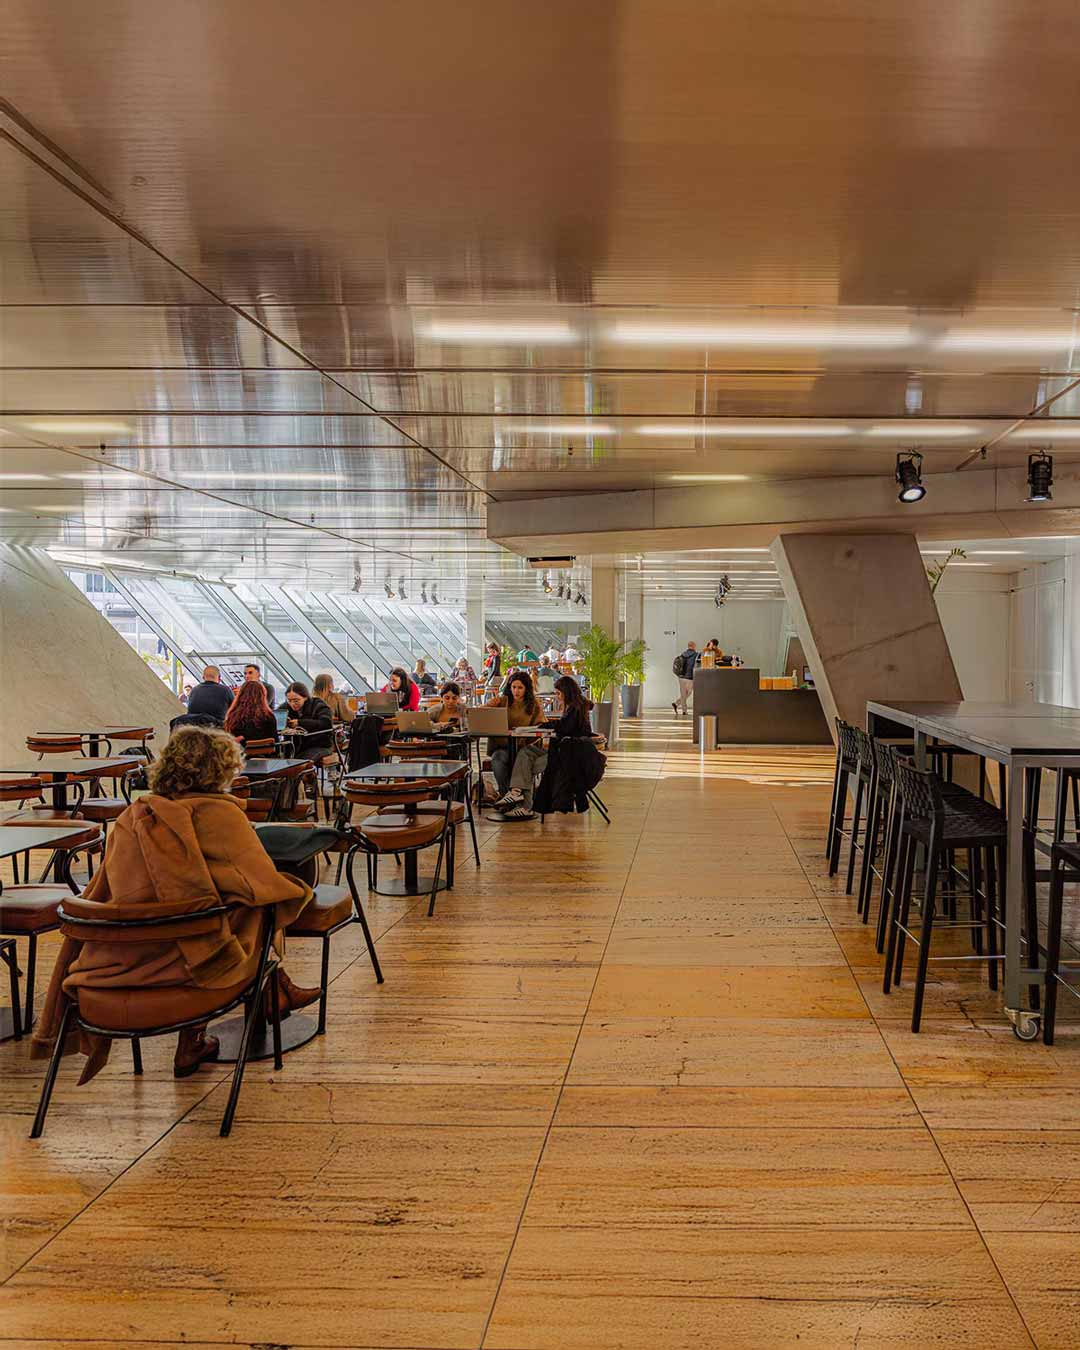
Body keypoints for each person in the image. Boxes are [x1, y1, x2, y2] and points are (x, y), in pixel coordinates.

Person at [31, 727, 319, 1081]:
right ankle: (272, 991)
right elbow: (263, 886)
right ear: (220, 769)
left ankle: (264, 999)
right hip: (195, 964)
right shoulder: (220, 816)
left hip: (122, 958)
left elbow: (108, 890)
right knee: (261, 908)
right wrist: (301, 890)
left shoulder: (131, 817)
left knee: (207, 915)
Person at [493, 674, 591, 817]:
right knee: (525, 753)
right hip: (562, 750)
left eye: (558, 693)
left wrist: (547, 725)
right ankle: (515, 793)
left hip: (567, 756)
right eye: (513, 687)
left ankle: (525, 806)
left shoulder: (575, 710)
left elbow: (564, 727)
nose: (557, 697)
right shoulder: (575, 708)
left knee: (527, 763)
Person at [485, 670, 546, 801]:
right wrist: (489, 705)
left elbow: (542, 725)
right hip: (503, 746)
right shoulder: (502, 701)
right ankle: (506, 794)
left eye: (520, 688)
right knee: (498, 758)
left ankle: (511, 798)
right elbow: (481, 714)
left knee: (520, 758)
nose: (516, 691)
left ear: (526, 689)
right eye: (513, 687)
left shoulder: (534, 704)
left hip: (523, 747)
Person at [282, 681, 334, 751]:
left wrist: (299, 723)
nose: (292, 704)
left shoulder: (318, 705)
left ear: (305, 697)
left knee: (301, 760)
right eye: (289, 700)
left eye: (296, 700)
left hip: (318, 745)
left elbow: (326, 723)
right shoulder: (285, 707)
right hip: (294, 745)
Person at [223, 679, 277, 745]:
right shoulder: (269, 716)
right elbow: (275, 741)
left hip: (240, 754)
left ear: (241, 695)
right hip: (266, 753)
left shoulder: (233, 715)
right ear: (262, 696)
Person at [672, 641, 699, 715]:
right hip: (689, 677)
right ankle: (680, 707)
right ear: (694, 646)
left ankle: (680, 707)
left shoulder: (682, 654)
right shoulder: (696, 655)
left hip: (681, 677)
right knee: (689, 692)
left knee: (683, 693)